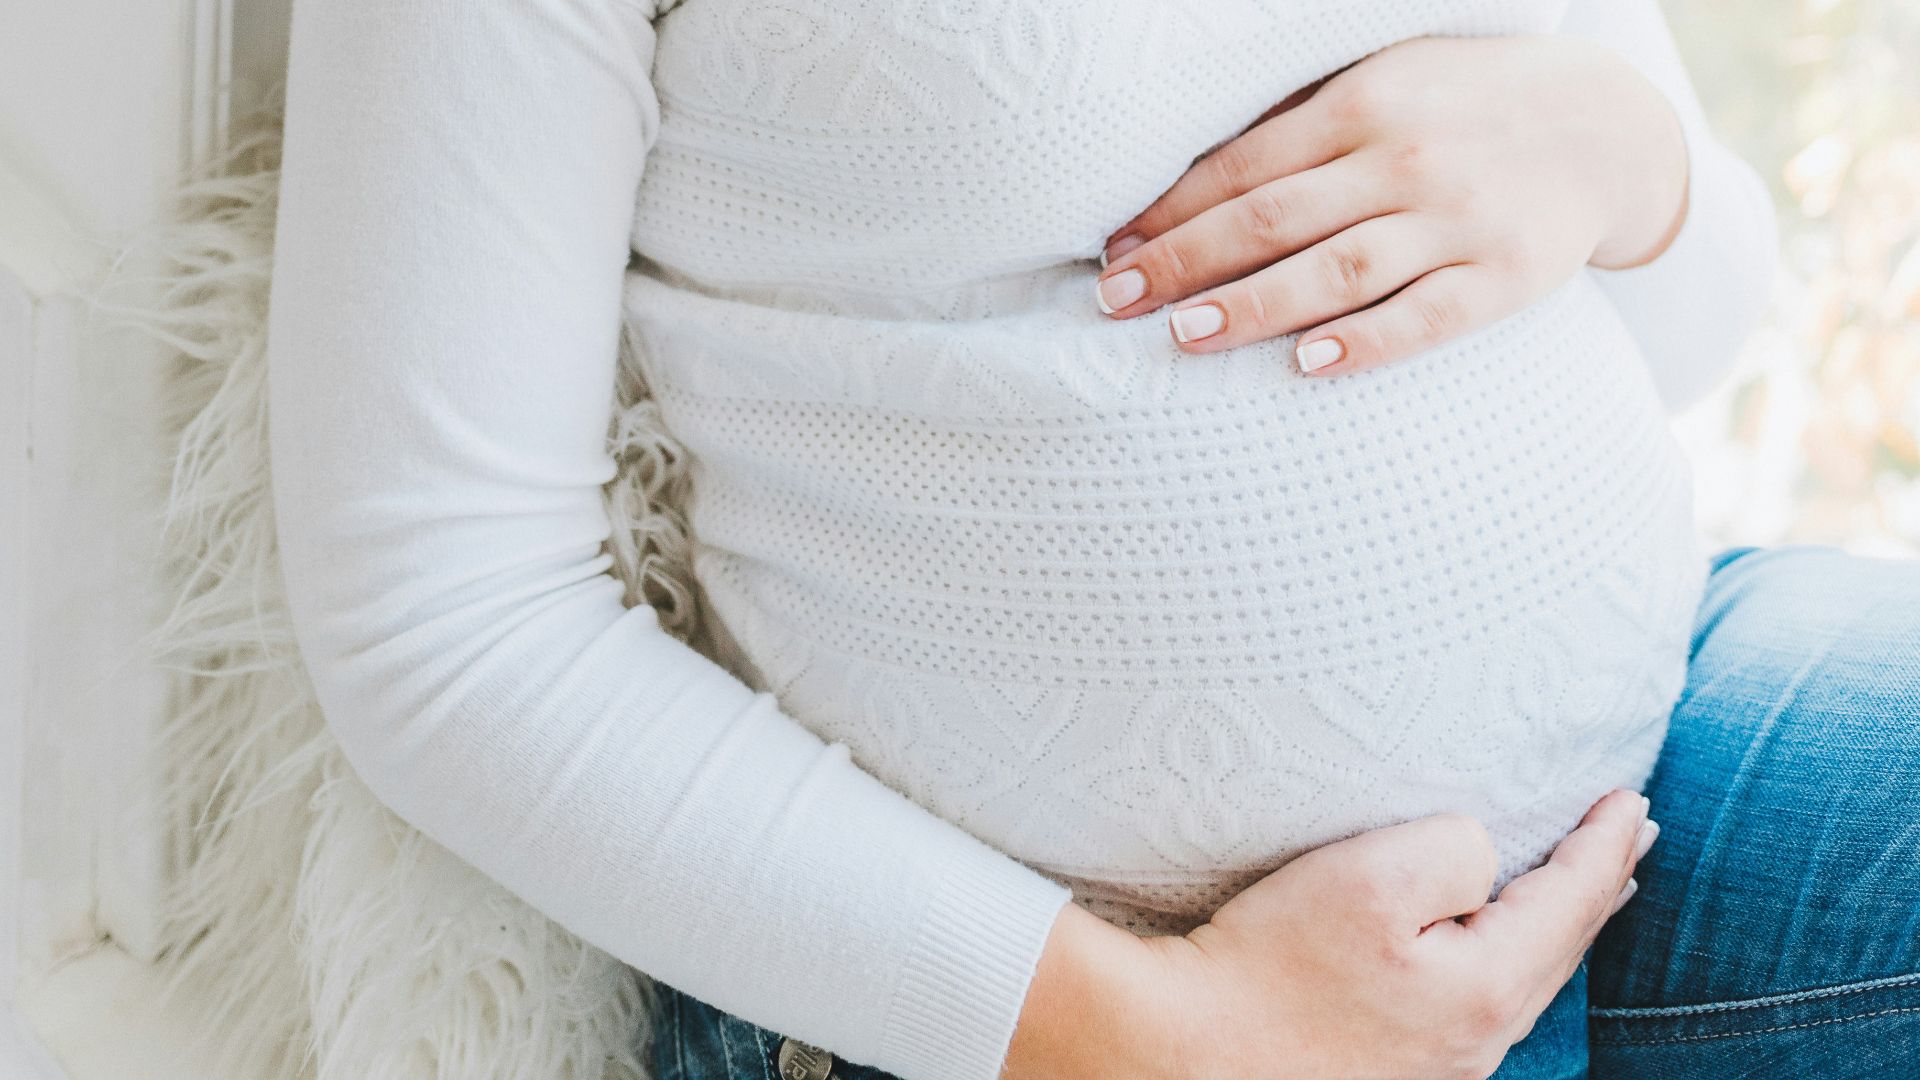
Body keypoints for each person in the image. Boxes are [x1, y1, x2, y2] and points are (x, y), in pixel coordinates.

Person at [263, 1, 1920, 1077]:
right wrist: (1158, 1038)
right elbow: (441, 616)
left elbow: (1686, 327)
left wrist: (1631, 160)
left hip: (1650, 772)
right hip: (1029, 992)